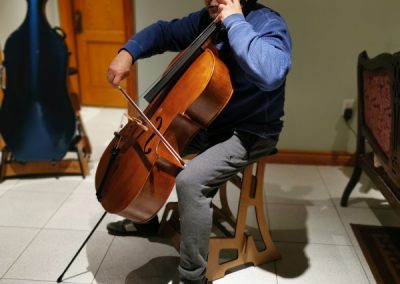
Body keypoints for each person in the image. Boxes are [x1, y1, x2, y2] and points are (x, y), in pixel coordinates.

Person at [106, 0, 291, 283]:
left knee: (191, 181)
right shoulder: (206, 19)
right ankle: (145, 218)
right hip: (207, 123)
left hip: (251, 132)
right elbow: (164, 32)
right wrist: (128, 52)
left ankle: (192, 276)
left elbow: (271, 73)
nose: (209, 1)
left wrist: (234, 20)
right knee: (145, 150)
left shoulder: (268, 22)